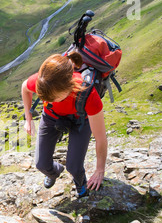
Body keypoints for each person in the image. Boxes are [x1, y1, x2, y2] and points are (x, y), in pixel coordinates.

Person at [21, 51, 107, 197]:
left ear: (69, 87)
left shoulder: (88, 94)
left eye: (54, 98)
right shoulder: (43, 81)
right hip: (51, 117)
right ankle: (54, 172)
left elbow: (101, 138)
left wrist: (100, 170)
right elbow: (25, 87)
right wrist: (28, 118)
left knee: (73, 166)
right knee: (41, 164)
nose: (51, 101)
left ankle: (80, 182)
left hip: (80, 120)